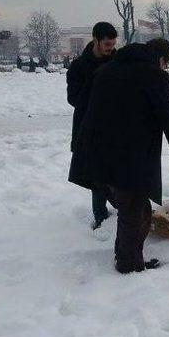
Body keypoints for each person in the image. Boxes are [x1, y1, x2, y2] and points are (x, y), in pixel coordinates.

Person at [68, 38, 169, 274]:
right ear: (161, 59)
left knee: (134, 209)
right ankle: (129, 266)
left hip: (96, 152)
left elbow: (82, 104)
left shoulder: (107, 69)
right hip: (128, 155)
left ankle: (126, 256)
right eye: (165, 64)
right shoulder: (154, 75)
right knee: (134, 210)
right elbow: (168, 114)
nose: (163, 69)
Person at [67, 21, 118, 229]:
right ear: (96, 41)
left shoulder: (117, 61)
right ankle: (101, 218)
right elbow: (73, 99)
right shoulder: (79, 66)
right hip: (88, 128)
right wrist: (97, 84)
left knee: (114, 172)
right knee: (96, 176)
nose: (110, 49)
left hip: (114, 127)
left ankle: (121, 208)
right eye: (107, 45)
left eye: (113, 44)